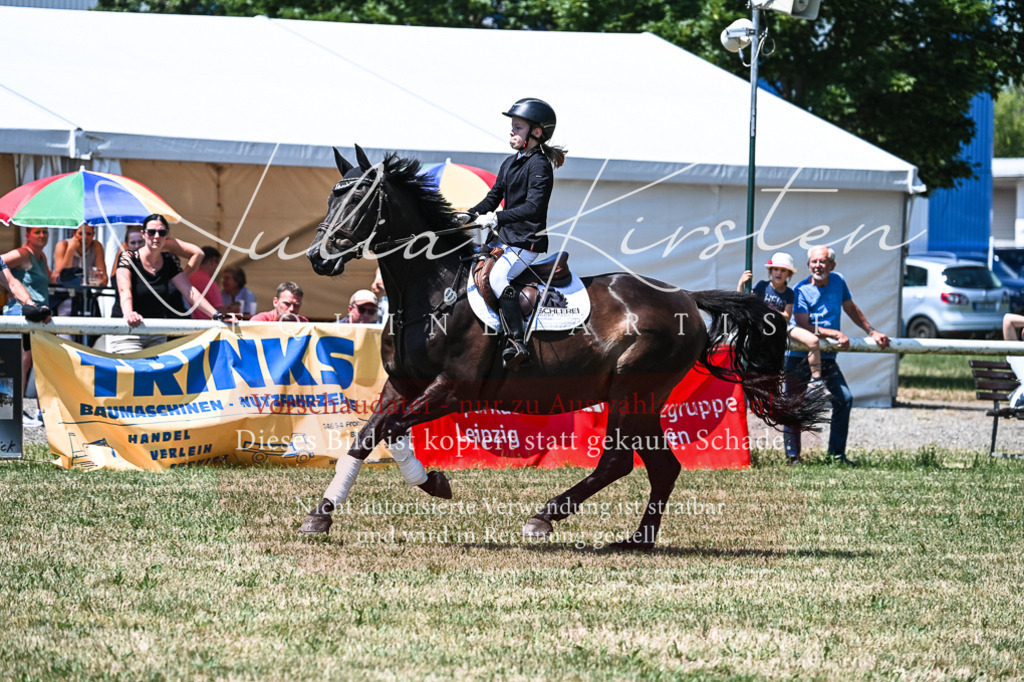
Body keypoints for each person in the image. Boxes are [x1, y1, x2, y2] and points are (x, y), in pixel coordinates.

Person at [469, 97, 567, 370]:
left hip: (527, 242)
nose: (511, 132)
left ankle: (517, 341)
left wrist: (497, 217)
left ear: (536, 133)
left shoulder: (539, 166)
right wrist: (470, 213)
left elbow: (533, 208)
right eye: (512, 126)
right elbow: (493, 197)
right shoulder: (510, 163)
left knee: (499, 277)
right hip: (505, 239)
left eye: (518, 127)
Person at [783, 246, 890, 466]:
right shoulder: (800, 291)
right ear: (808, 265)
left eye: (822, 262)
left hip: (827, 358)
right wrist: (835, 333)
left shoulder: (839, 281)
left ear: (832, 265)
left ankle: (837, 456)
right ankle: (793, 457)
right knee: (793, 405)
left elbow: (851, 308)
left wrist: (872, 331)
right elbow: (803, 323)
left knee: (844, 399)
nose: (817, 266)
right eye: (814, 262)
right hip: (797, 356)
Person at [108, 214, 227, 354]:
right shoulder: (128, 257)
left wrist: (217, 315)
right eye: (151, 232)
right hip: (128, 330)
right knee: (134, 372)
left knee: (157, 374)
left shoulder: (169, 260)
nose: (156, 236)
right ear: (143, 234)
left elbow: (190, 292)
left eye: (162, 232)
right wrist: (129, 313)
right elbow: (124, 290)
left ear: (167, 236)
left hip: (156, 329)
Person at [738, 252, 824, 390]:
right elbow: (744, 302)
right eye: (776, 269)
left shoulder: (790, 293)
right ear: (770, 271)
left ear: (789, 274)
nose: (779, 273)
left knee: (813, 340)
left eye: (783, 270)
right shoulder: (761, 286)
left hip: (782, 327)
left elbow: (786, 316)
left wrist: (767, 309)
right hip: (762, 328)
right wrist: (741, 284)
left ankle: (817, 378)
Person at [1, 227, 54, 425]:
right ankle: (15, 410)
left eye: (45, 232)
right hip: (19, 316)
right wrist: (12, 294)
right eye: (37, 232)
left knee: (39, 362)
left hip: (37, 314)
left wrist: (70, 274)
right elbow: (5, 268)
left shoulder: (41, 257)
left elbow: (13, 282)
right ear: (27, 235)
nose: (42, 236)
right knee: (21, 363)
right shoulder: (22, 253)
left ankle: (34, 411)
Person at [50, 224, 108, 324]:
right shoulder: (63, 245)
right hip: (64, 297)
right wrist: (70, 250)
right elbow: (61, 275)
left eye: (89, 234)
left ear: (93, 235)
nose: (84, 237)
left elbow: (103, 279)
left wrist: (87, 280)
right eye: (81, 234)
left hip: (84, 297)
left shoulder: (96, 246)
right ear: (74, 234)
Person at [188, 246, 223, 320]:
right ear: (212, 261)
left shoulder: (187, 277)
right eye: (217, 263)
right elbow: (219, 310)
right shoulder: (209, 282)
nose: (217, 267)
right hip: (205, 326)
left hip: (187, 323)